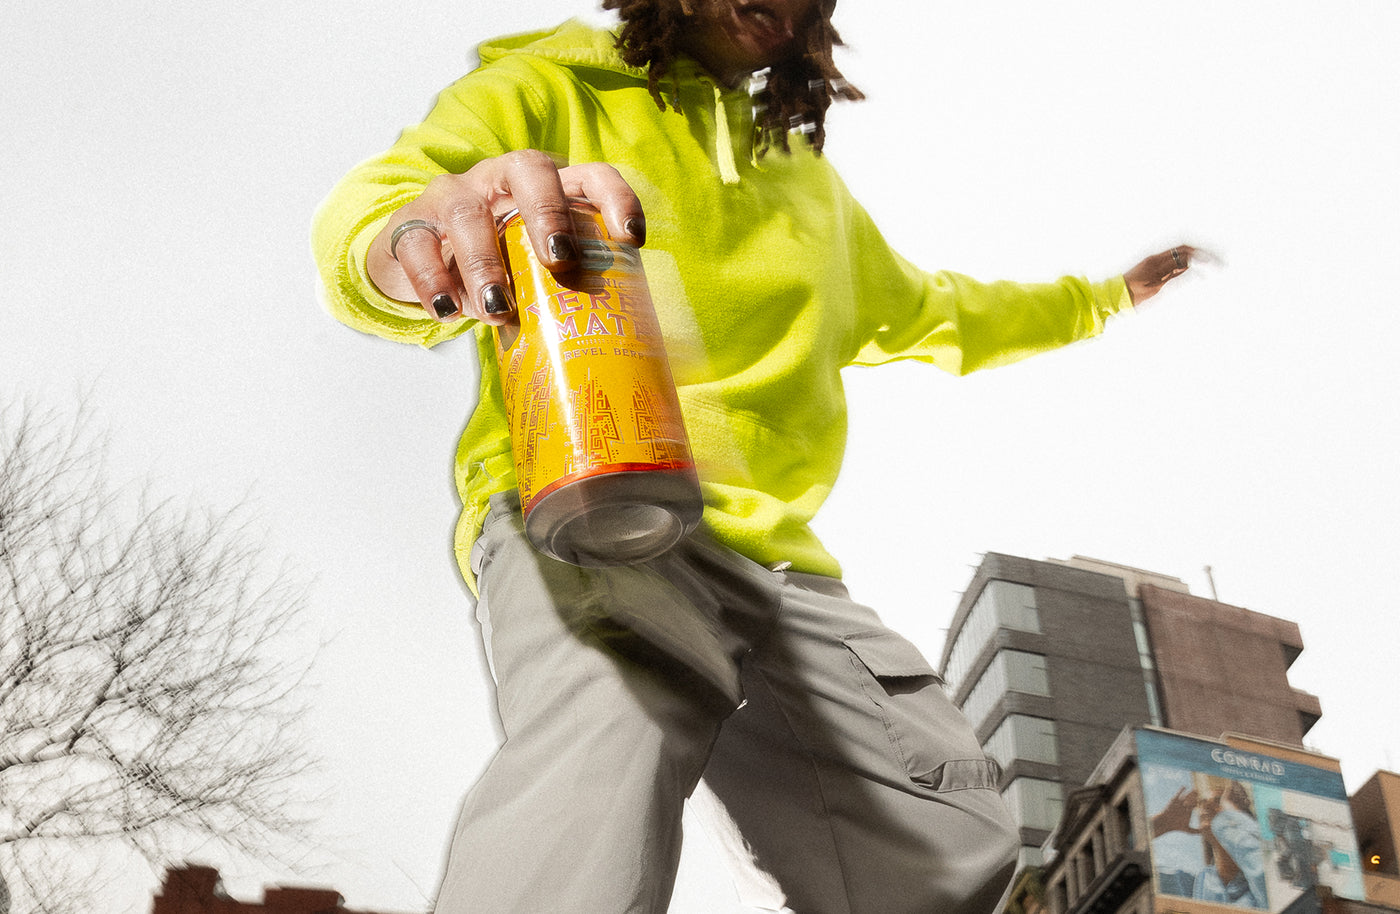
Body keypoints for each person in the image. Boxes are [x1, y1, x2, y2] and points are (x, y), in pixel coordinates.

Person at [311, 1, 1196, 911]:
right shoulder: (543, 90)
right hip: (592, 499)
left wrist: (1104, 300)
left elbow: (947, 312)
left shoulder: (811, 190)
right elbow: (382, 210)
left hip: (782, 568)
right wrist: (403, 240)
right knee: (619, 721)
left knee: (945, 845)